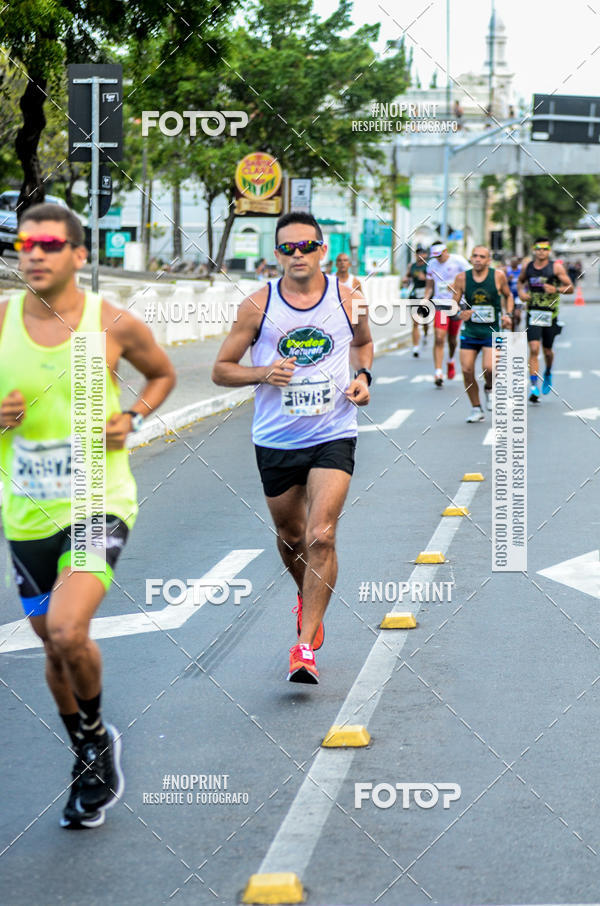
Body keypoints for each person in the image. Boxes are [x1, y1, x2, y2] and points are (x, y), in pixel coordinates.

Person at [0, 203, 175, 829]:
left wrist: (131, 417)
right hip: (25, 515)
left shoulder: (112, 324)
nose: (34, 254)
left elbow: (161, 375)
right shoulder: (0, 323)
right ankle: (87, 750)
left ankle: (97, 738)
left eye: (49, 244)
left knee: (69, 630)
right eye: (26, 244)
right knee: (54, 649)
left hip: (99, 501)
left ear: (78, 253)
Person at [212, 211, 372, 684]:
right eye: (288, 248)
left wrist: (363, 377)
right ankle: (307, 593)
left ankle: (304, 645)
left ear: (323, 249)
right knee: (291, 538)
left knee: (321, 533)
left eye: (306, 246)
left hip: (334, 431)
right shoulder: (257, 306)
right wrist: (262, 373)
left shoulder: (349, 298)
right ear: (276, 253)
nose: (297, 255)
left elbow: (363, 345)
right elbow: (221, 369)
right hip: (277, 438)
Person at [453, 246, 514, 422]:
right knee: (466, 370)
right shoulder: (462, 278)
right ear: (471, 258)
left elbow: (508, 296)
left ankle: (489, 387)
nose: (478, 259)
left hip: (492, 330)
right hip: (470, 331)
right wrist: (459, 313)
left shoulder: (498, 276)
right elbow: (453, 305)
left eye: (482, 256)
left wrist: (507, 314)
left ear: (488, 260)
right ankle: (476, 408)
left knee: (490, 368)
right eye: (475, 256)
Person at [517, 237, 573, 402]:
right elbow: (520, 282)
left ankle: (548, 370)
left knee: (547, 351)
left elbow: (570, 288)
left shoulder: (555, 267)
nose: (541, 251)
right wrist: (521, 293)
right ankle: (534, 386)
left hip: (550, 315)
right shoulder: (527, 267)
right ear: (534, 249)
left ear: (548, 251)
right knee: (534, 348)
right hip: (533, 313)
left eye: (545, 249)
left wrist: (555, 289)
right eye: (539, 248)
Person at [423, 242, 469, 386]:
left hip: (456, 303)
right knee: (439, 336)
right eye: (435, 256)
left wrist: (457, 285)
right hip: (440, 304)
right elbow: (429, 285)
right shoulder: (431, 264)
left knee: (452, 339)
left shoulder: (458, 260)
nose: (438, 258)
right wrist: (425, 299)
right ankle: (438, 372)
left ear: (446, 251)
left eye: (440, 255)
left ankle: (450, 360)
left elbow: (471, 277)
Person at [402, 246, 429, 356]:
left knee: (426, 321)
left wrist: (426, 278)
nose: (420, 256)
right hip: (415, 296)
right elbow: (407, 277)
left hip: (427, 296)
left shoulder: (429, 266)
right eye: (418, 254)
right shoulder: (412, 266)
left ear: (426, 255)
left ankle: (426, 334)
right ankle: (416, 347)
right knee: (415, 322)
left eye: (422, 253)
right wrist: (405, 280)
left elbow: (434, 280)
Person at [505, 256, 523, 328]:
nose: (513, 263)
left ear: (517, 263)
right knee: (511, 316)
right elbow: (503, 283)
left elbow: (524, 282)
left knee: (517, 314)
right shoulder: (508, 272)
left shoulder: (521, 272)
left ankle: (517, 324)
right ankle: (513, 332)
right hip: (510, 297)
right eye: (512, 262)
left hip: (519, 296)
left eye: (515, 262)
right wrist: (508, 279)